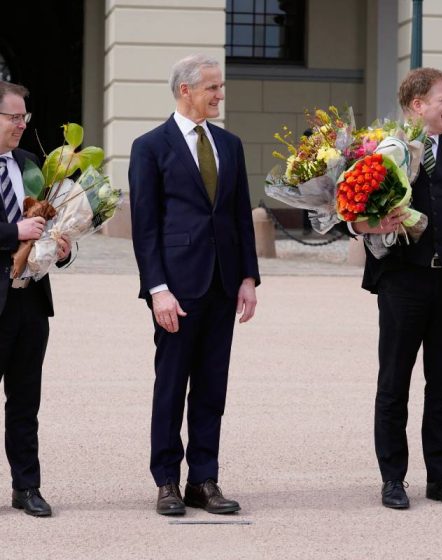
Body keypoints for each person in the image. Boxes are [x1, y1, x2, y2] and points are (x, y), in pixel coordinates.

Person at [129, 54, 260, 516]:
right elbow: (144, 227)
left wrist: (248, 277)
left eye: (219, 87)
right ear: (186, 90)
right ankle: (166, 481)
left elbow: (240, 214)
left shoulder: (231, 144)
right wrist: (157, 289)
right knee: (171, 386)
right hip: (178, 289)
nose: (219, 95)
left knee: (211, 388)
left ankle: (204, 480)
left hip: (223, 284)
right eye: (212, 88)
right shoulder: (150, 147)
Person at [352, 67, 442, 509]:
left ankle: (441, 477)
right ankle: (393, 478)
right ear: (418, 105)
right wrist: (372, 220)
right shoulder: (388, 151)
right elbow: (351, 214)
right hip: (402, 284)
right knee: (394, 382)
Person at [0, 81, 71, 517]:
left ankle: (27, 488)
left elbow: (52, 221)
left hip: (30, 306)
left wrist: (61, 248)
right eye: (12, 117)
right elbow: (21, 229)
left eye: (23, 116)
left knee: (26, 402)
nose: (21, 124)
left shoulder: (31, 165)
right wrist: (14, 234)